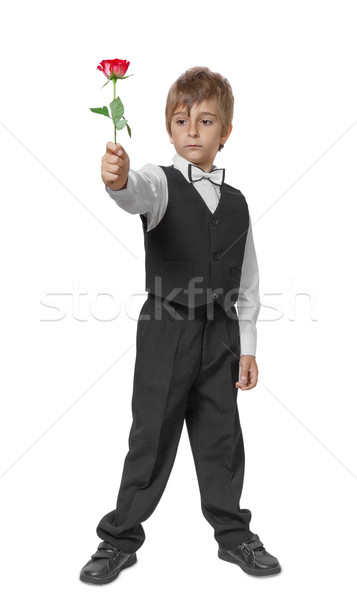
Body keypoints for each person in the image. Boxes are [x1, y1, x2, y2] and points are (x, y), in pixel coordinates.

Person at [79, 66, 281, 585]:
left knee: (222, 436)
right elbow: (134, 195)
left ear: (225, 133)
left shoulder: (237, 203)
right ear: (169, 130)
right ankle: (119, 539)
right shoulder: (158, 183)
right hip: (167, 326)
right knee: (152, 433)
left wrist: (249, 346)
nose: (193, 130)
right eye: (182, 119)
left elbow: (249, 278)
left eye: (206, 120)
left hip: (221, 334)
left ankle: (234, 535)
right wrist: (118, 178)